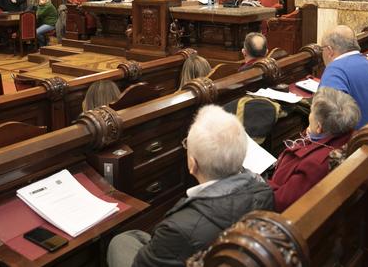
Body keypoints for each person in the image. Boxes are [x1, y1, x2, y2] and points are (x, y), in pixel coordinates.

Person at [107, 105, 274, 267]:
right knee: (132, 237)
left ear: (193, 164)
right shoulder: (264, 191)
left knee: (118, 243)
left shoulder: (178, 228)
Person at [269, 87, 360, 212]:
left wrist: (258, 181)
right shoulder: (347, 134)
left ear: (319, 127)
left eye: (311, 112)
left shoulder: (313, 165)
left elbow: (279, 202)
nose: (310, 116)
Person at [319, 25, 368, 129]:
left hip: (356, 141)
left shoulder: (335, 70)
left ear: (329, 50)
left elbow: (327, 120)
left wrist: (313, 130)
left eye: (322, 49)